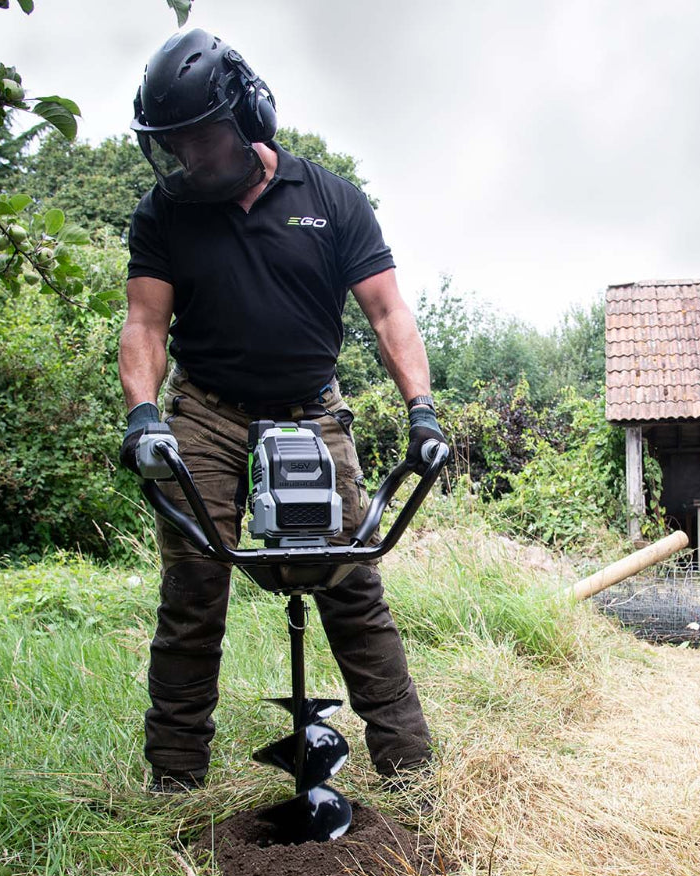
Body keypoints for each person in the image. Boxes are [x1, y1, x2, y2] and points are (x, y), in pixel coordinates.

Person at [116, 27, 444, 794]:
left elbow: (389, 314)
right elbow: (144, 324)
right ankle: (174, 783)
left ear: (249, 117)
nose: (190, 158)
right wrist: (143, 416)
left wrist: (421, 409)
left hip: (312, 414)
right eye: (175, 144)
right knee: (194, 589)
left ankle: (411, 773)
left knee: (353, 584)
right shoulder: (164, 213)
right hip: (205, 413)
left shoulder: (331, 199)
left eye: (202, 139)